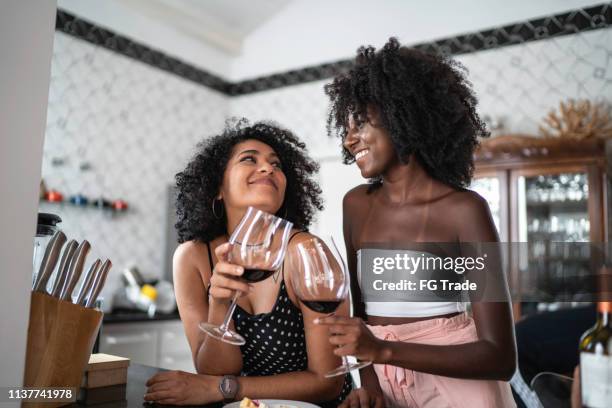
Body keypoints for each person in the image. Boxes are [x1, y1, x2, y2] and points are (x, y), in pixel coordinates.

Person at [316, 38, 518, 407]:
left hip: (459, 392)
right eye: (345, 127)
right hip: (389, 388)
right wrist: (371, 385)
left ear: (401, 114)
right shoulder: (355, 205)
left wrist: (384, 350)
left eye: (360, 122)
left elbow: (499, 356)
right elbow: (361, 317)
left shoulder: (464, 211)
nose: (348, 139)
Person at [145, 120, 352, 406]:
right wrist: (220, 307)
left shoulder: (305, 251)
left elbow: (327, 382)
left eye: (277, 164)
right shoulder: (192, 257)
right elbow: (213, 371)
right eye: (249, 159)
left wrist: (224, 388)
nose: (269, 168)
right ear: (217, 187)